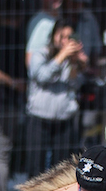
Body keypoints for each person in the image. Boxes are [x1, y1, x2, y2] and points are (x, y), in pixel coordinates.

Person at [24, 21, 86, 177]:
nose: (66, 41)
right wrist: (61, 56)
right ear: (53, 37)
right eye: (62, 36)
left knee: (63, 169)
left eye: (69, 37)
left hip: (64, 118)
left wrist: (76, 63)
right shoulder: (40, 54)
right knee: (35, 167)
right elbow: (42, 76)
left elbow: (76, 84)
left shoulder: (72, 59)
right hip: (39, 117)